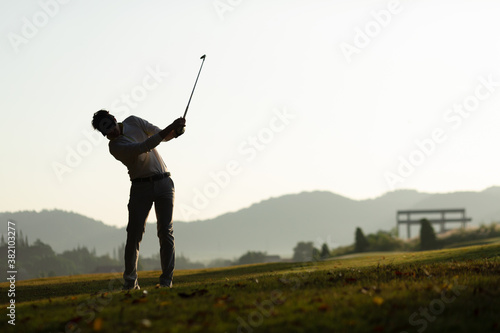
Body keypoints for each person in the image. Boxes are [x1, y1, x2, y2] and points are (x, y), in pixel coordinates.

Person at [91, 110, 186, 290]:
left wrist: (177, 132)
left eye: (110, 127)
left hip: (165, 182)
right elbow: (144, 146)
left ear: (114, 120)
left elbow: (162, 135)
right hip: (140, 188)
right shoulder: (115, 147)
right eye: (106, 133)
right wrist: (171, 127)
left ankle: (167, 281)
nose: (111, 133)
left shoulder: (134, 121)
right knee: (134, 235)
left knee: (166, 232)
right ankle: (130, 282)